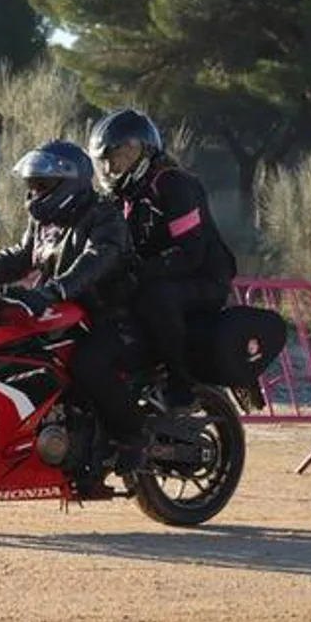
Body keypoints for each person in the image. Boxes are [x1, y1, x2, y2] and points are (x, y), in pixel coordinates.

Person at [0, 139, 146, 479]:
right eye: (32, 185)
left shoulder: (104, 216)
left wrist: (54, 290)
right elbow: (22, 256)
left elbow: (95, 261)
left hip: (112, 315)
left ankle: (132, 438)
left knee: (88, 364)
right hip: (65, 313)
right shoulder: (46, 221)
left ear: (69, 183)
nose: (34, 193)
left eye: (42, 185)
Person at [87, 110, 238, 411]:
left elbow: (191, 252)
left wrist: (139, 274)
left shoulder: (174, 185)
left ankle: (180, 381)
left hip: (204, 277)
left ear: (144, 152)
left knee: (156, 297)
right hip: (165, 273)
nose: (110, 166)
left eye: (119, 156)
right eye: (104, 160)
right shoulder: (125, 197)